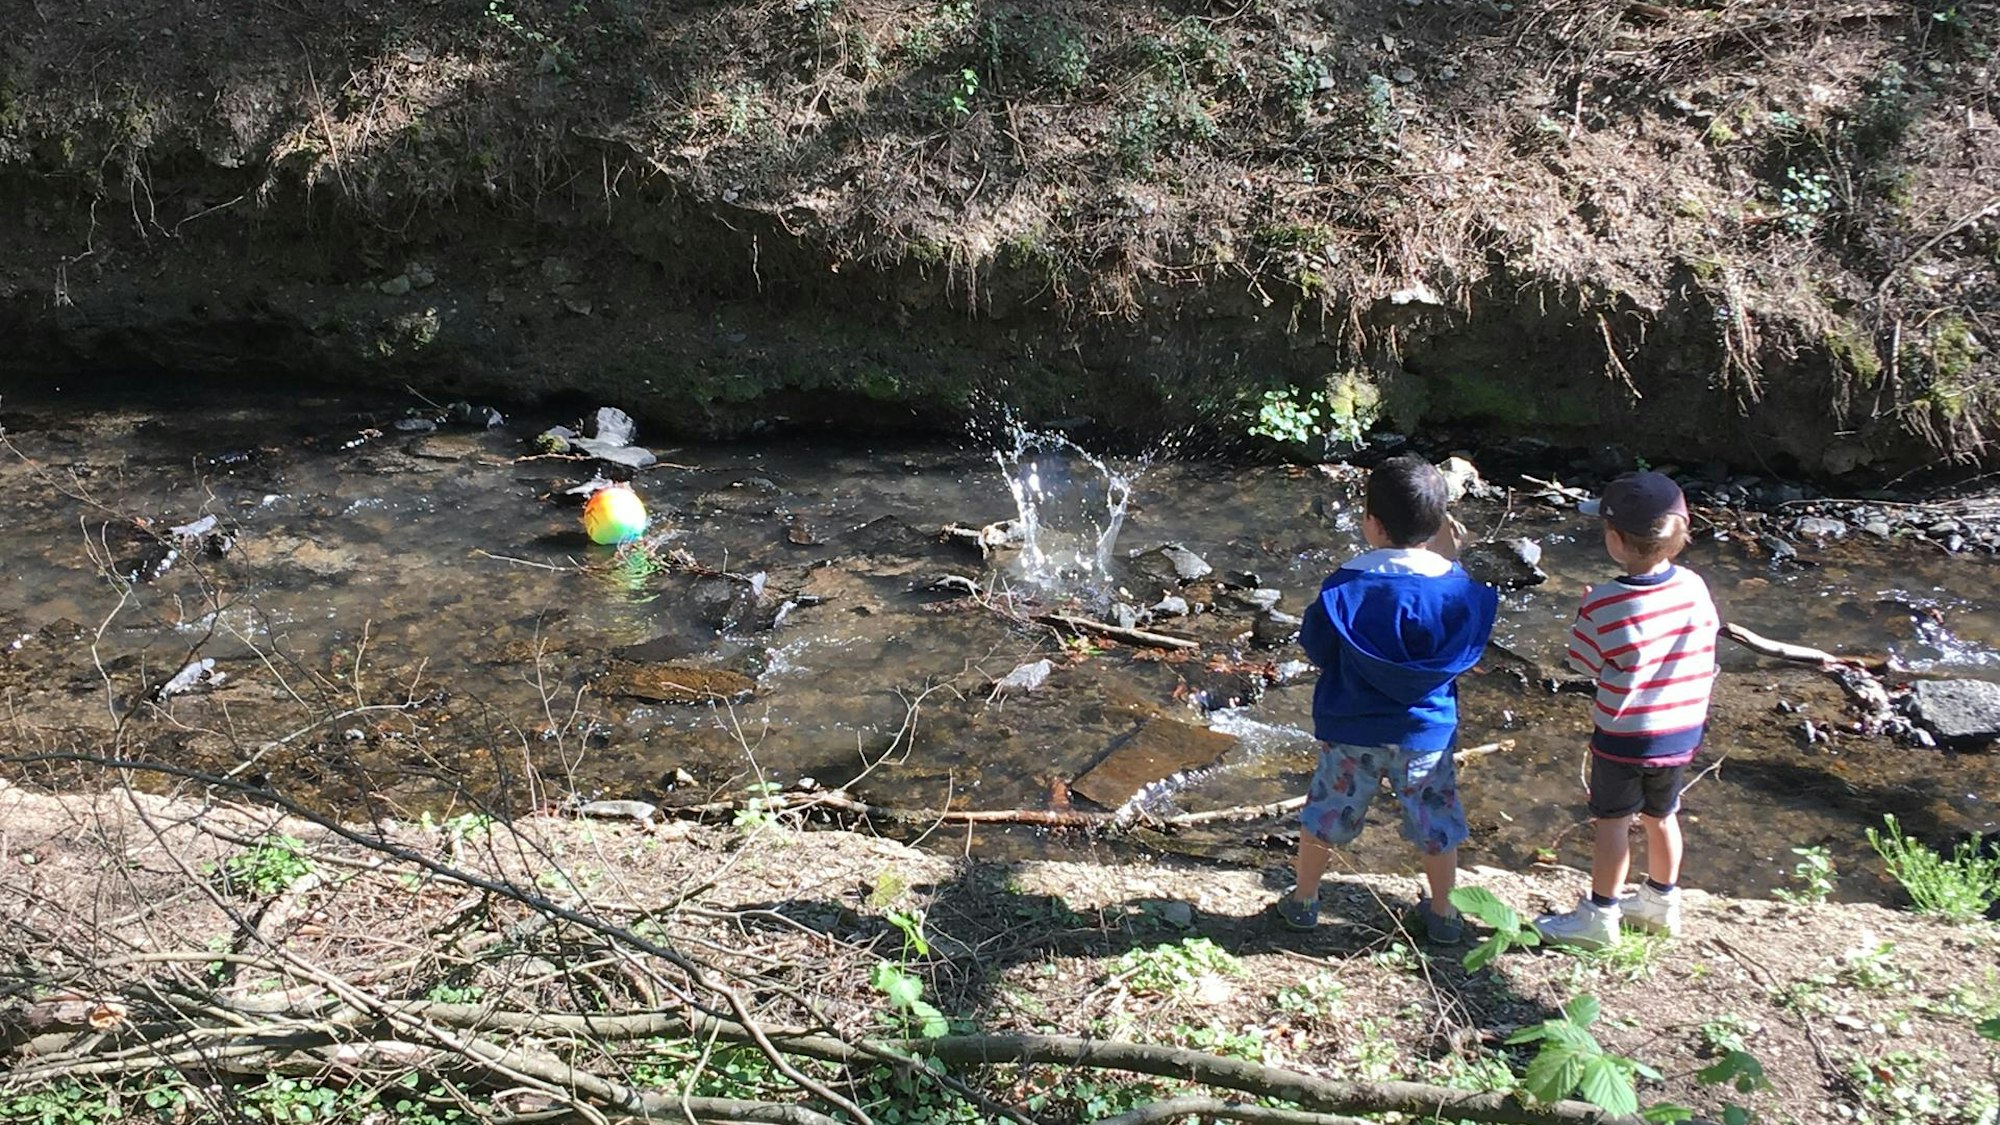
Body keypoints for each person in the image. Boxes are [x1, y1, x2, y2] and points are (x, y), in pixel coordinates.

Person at [1274, 456, 1499, 942]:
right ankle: (1442, 914)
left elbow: (1316, 646)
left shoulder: (1346, 586)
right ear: (1439, 524)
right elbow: (1467, 643)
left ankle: (1304, 901)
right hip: (1426, 735)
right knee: (1435, 823)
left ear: (1372, 525)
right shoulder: (1456, 588)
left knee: (1327, 815)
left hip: (1352, 730)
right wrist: (1451, 557)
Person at [1535, 471, 1719, 949]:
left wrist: (1585, 615)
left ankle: (1600, 915)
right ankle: (1661, 904)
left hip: (1624, 734)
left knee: (1613, 823)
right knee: (1663, 815)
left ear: (1615, 541)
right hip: (1681, 731)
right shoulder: (1695, 586)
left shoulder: (1604, 601)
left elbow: (1583, 662)